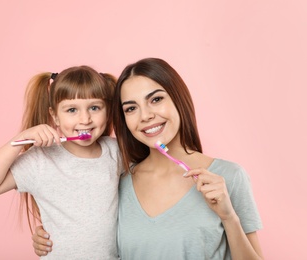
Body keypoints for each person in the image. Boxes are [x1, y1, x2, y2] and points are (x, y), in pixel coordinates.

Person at [32, 58, 264, 259]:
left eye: (156, 100)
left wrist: (228, 217)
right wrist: (52, 236)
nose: (146, 116)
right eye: (131, 109)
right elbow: (90, 231)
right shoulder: (119, 182)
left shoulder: (229, 177)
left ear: (178, 99)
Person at [0, 66, 121, 259]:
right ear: (55, 115)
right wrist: (20, 139)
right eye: (72, 110)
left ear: (107, 111)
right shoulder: (41, 159)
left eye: (95, 107)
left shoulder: (116, 152)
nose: (85, 119)